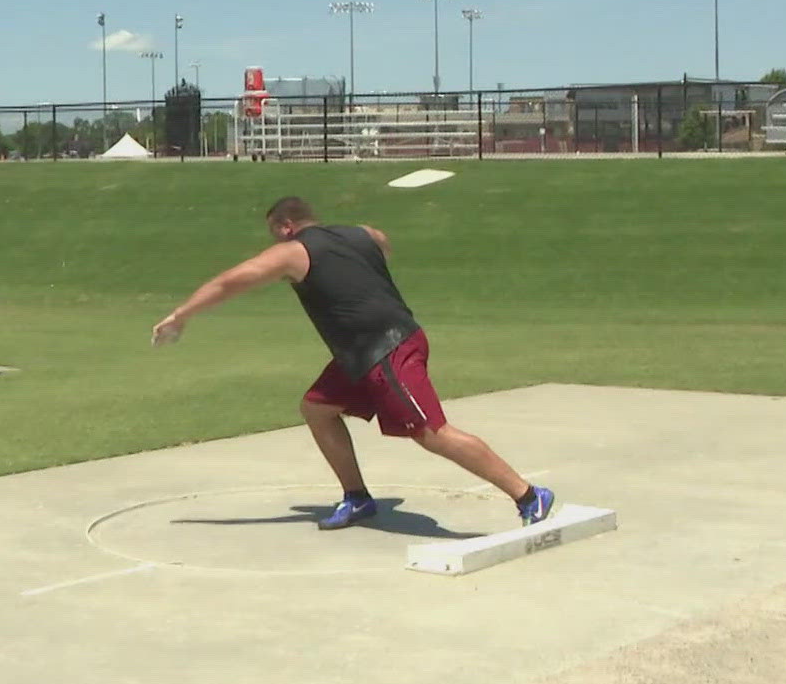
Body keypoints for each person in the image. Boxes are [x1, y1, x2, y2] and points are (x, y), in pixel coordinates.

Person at [151, 196, 556, 530]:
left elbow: (231, 281)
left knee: (432, 432)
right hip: (359, 354)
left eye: (274, 233)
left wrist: (181, 315)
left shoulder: (293, 251)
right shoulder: (361, 234)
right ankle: (357, 497)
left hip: (389, 347)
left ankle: (528, 494)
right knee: (317, 407)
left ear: (286, 226)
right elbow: (382, 240)